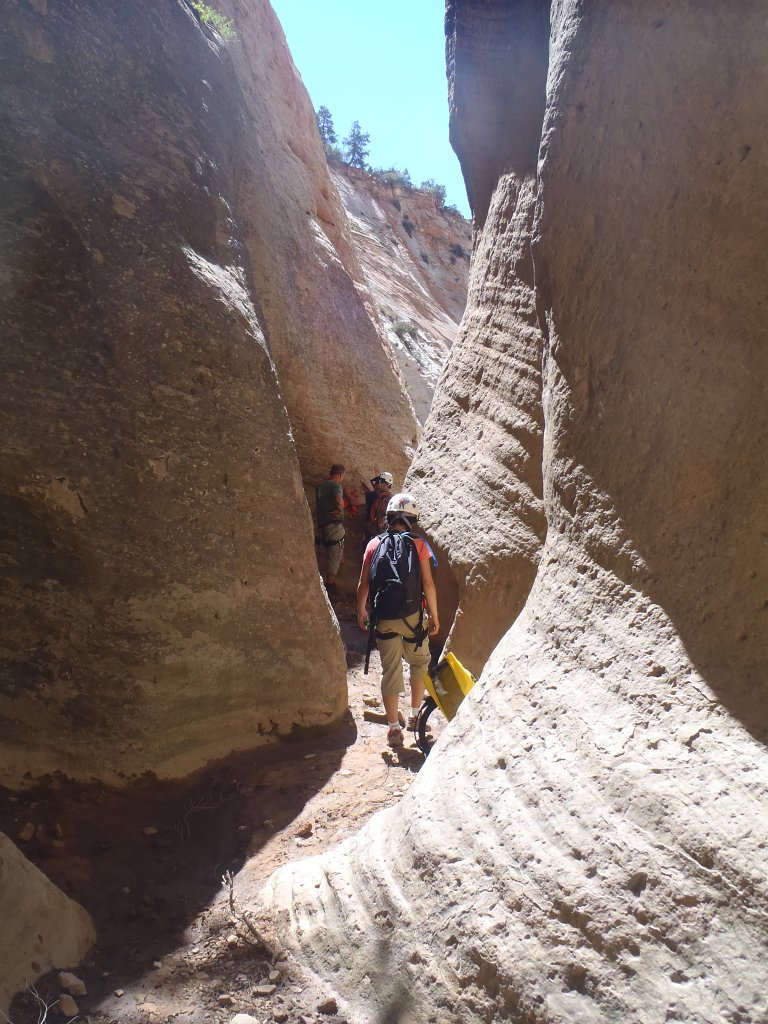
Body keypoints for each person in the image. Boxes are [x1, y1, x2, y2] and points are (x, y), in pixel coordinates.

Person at [356, 492, 440, 747]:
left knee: (390, 670)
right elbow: (427, 584)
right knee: (419, 662)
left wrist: (361, 611)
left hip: (383, 617)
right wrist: (434, 616)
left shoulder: (374, 544)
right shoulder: (418, 544)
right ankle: (415, 717)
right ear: (411, 519)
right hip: (412, 616)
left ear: (390, 517)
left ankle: (393, 729)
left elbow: (363, 584)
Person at [316, 464, 346, 590]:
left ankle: (329, 584)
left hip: (323, 525)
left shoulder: (320, 486)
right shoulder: (335, 485)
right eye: (343, 475)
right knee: (336, 553)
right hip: (334, 526)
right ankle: (330, 586)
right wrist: (340, 508)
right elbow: (339, 499)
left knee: (331, 553)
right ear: (339, 475)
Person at [361, 471, 394, 551]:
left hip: (371, 532)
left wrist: (346, 491)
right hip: (385, 535)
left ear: (383, 483)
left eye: (377, 482)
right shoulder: (393, 499)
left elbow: (355, 501)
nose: (376, 484)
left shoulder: (374, 495)